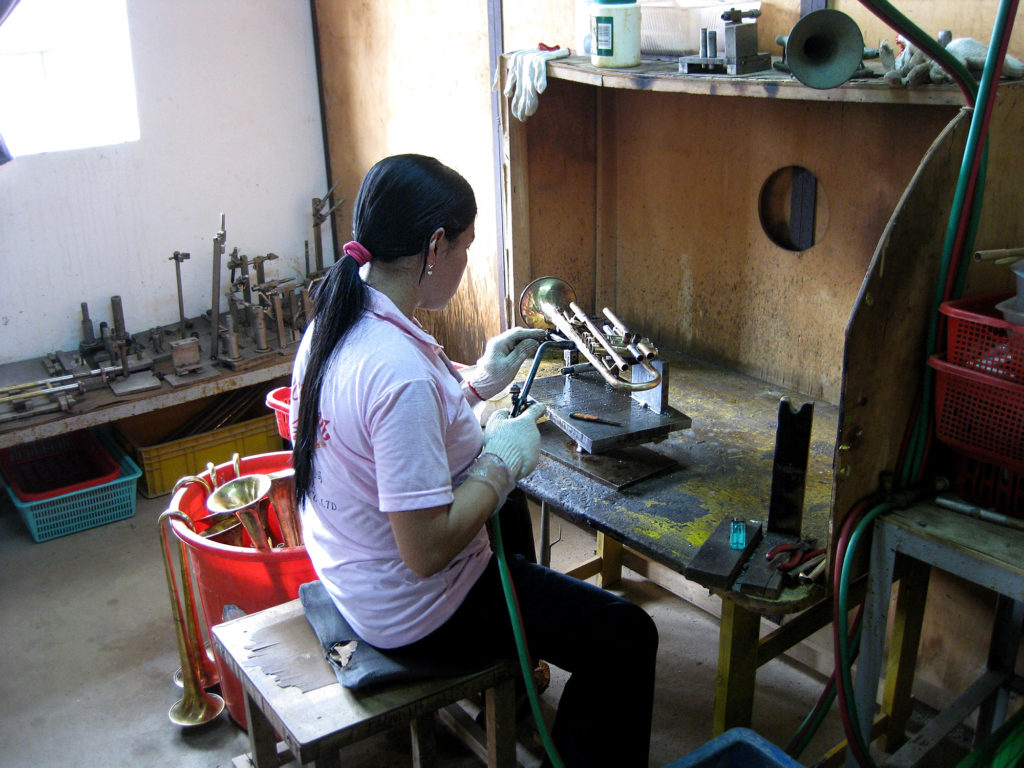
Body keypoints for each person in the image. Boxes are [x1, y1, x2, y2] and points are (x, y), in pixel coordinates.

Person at [290, 153, 658, 767]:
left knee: (506, 520)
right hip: (409, 609)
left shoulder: (339, 322)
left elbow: (391, 433)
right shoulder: (397, 370)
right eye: (466, 245)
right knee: (625, 635)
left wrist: (477, 385)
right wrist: (499, 464)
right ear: (435, 246)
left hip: (352, 570)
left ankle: (511, 682)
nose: (466, 259)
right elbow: (428, 549)